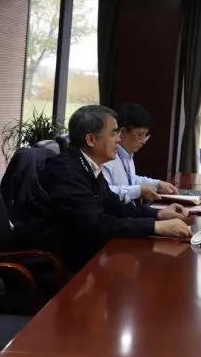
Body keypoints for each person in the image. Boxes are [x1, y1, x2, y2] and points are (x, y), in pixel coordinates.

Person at [30, 105, 192, 271]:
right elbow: (96, 225)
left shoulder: (89, 166)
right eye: (113, 133)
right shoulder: (67, 171)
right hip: (62, 263)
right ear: (91, 140)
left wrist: (158, 214)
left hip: (85, 252)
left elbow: (115, 206)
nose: (119, 140)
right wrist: (155, 227)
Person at [102, 103, 179, 203]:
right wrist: (138, 191)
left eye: (145, 136)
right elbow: (105, 193)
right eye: (140, 135)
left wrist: (157, 184)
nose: (143, 141)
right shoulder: (107, 156)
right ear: (122, 132)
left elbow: (131, 180)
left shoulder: (127, 154)